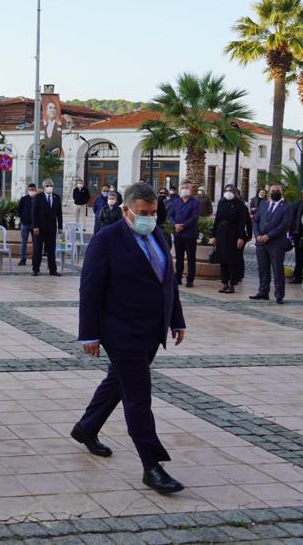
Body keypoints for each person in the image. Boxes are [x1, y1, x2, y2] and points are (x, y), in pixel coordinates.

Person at [74, 182, 187, 495]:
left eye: (153, 213)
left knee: (118, 382)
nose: (149, 218)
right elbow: (90, 289)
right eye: (143, 213)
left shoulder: (159, 235)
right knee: (139, 396)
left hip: (152, 330)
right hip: (120, 331)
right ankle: (152, 465)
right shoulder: (106, 240)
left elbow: (168, 283)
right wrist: (89, 334)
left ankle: (86, 428)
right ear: (126, 210)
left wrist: (176, 320)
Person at [250, 183, 292, 304]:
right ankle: (263, 291)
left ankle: (279, 294)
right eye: (272, 191)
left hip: (276, 243)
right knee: (263, 268)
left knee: (277, 269)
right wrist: (257, 235)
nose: (274, 193)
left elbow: (284, 225)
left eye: (277, 191)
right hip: (261, 242)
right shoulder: (263, 204)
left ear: (281, 192)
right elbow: (256, 220)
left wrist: (268, 236)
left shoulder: (286, 207)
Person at [213, 184, 249, 293]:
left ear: (234, 192)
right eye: (226, 190)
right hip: (221, 233)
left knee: (232, 260)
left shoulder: (240, 204)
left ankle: (232, 284)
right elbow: (217, 219)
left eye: (230, 190)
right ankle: (224, 283)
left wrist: (241, 237)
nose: (228, 192)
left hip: (234, 234)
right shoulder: (221, 202)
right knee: (222, 260)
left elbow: (242, 222)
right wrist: (213, 235)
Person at [167, 181, 201, 287]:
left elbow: (194, 217)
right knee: (179, 257)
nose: (184, 190)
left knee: (191, 257)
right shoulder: (176, 201)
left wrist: (183, 226)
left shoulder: (195, 202)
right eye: (183, 188)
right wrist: (175, 225)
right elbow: (170, 215)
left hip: (189, 234)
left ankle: (190, 279)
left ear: (191, 190)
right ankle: (178, 277)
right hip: (177, 234)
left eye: (187, 188)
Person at [33, 178, 63, 277]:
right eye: (47, 186)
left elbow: (59, 213)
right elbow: (34, 213)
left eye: (51, 185)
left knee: (51, 250)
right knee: (38, 250)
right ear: (44, 187)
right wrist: (35, 226)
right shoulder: (38, 197)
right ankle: (36, 269)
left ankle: (52, 269)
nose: (49, 187)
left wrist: (60, 227)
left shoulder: (56, 197)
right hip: (40, 229)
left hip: (51, 228)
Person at [17, 184, 37, 266]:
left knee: (36, 243)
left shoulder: (38, 199)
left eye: (33, 189)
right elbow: (19, 210)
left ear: (35, 190)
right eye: (30, 189)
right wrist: (22, 218)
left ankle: (35, 259)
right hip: (25, 224)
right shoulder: (23, 199)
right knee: (23, 242)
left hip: (35, 225)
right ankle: (23, 259)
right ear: (27, 190)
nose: (31, 191)